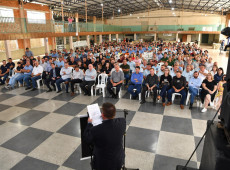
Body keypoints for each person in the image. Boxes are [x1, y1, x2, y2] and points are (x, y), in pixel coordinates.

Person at [84, 102, 126, 170]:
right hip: (118, 160)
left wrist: (89, 123)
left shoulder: (96, 129)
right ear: (114, 114)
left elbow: (87, 139)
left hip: (103, 163)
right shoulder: (122, 122)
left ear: (102, 115)